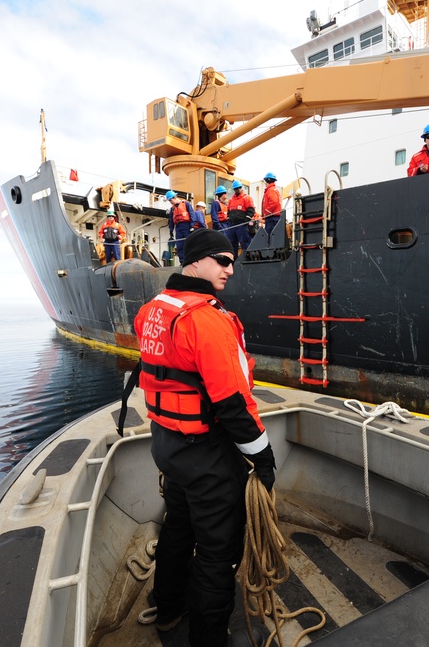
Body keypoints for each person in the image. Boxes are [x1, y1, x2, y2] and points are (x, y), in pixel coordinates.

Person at [135, 228, 276, 647]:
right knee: (218, 550)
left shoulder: (152, 310)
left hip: (167, 445)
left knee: (179, 526)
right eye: (221, 260)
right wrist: (263, 460)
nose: (231, 269)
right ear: (195, 262)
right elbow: (232, 403)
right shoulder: (207, 319)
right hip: (206, 454)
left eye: (232, 261)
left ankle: (168, 606)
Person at [167, 190, 195, 264]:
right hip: (178, 227)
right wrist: (171, 230)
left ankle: (190, 260)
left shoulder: (186, 204)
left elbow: (192, 214)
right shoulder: (172, 209)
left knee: (188, 243)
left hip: (186, 226)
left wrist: (192, 226)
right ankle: (182, 261)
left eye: (171, 200)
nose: (171, 202)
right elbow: (171, 220)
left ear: (175, 197)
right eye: (169, 201)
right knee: (179, 245)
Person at [226, 180, 255, 254]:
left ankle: (247, 257)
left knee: (245, 242)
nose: (238, 189)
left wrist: (246, 220)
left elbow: (251, 210)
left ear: (241, 188)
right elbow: (229, 211)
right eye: (236, 188)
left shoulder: (247, 198)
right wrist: (229, 219)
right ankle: (233, 260)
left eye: (239, 188)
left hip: (241, 225)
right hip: (232, 225)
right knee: (232, 244)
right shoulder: (231, 200)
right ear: (234, 189)